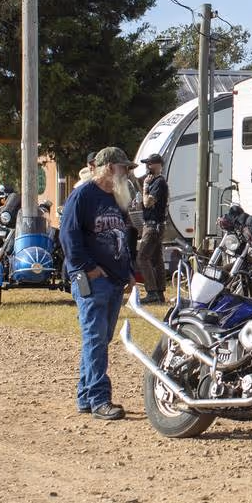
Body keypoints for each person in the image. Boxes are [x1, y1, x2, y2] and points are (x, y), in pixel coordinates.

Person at [59, 147, 137, 421]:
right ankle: (99, 399)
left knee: (100, 339)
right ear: (107, 167)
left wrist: (129, 271)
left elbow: (125, 237)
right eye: (123, 168)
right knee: (95, 339)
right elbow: (68, 236)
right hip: (92, 280)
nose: (127, 173)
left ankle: (85, 396)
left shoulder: (117, 197)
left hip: (114, 280)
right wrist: (89, 269)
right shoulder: (82, 195)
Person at [135, 153, 169, 304]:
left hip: (153, 225)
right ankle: (160, 292)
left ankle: (152, 292)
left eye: (150, 163)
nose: (147, 166)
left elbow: (148, 202)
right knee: (156, 259)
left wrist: (145, 187)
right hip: (157, 225)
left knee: (142, 257)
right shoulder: (157, 181)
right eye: (146, 163)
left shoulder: (158, 182)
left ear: (158, 165)